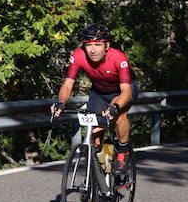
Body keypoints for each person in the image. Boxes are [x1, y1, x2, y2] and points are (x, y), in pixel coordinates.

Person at [49, 23, 137, 176]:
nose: (93, 49)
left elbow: (126, 92)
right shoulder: (78, 56)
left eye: (98, 44)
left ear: (107, 45)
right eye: (89, 45)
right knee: (95, 137)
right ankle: (103, 181)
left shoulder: (118, 57)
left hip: (122, 90)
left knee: (120, 116)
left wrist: (115, 107)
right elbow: (68, 84)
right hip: (99, 91)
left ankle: (123, 151)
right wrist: (61, 102)